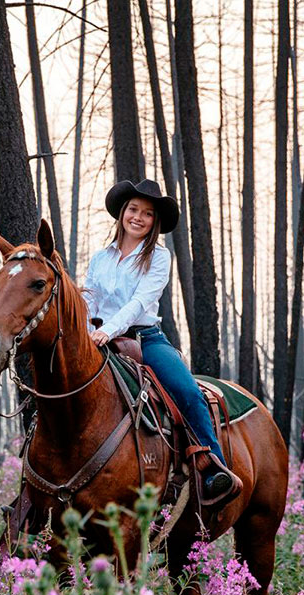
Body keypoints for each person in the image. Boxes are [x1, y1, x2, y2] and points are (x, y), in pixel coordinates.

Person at [83, 178, 242, 506]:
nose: (138, 217)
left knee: (187, 391)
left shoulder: (158, 257)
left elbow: (140, 303)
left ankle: (213, 467)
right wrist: (87, 331)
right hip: (99, 340)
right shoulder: (100, 258)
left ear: (155, 222)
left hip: (144, 339)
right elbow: (89, 299)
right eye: (133, 209)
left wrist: (107, 330)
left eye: (148, 213)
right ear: (122, 213)